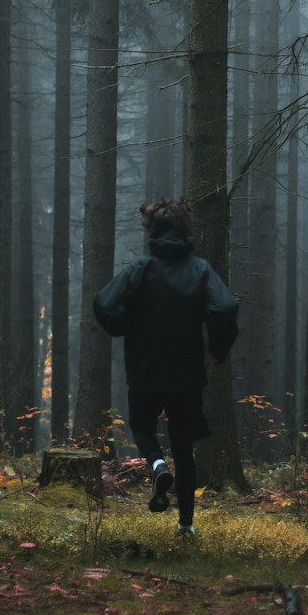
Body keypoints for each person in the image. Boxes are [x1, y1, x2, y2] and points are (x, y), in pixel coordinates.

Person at [93, 197, 239, 537]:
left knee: (142, 427)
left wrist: (125, 326)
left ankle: (157, 464)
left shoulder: (141, 269)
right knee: (184, 446)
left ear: (154, 230)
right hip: (185, 372)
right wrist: (218, 348)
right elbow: (226, 307)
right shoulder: (201, 270)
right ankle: (186, 525)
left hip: (145, 367)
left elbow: (104, 303)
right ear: (185, 230)